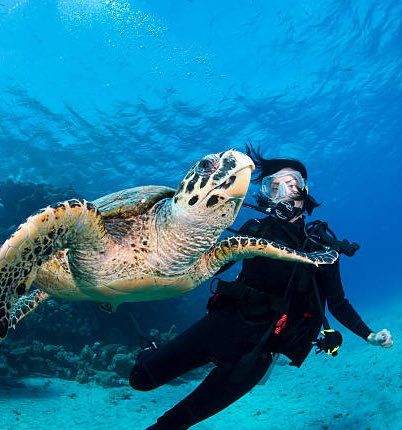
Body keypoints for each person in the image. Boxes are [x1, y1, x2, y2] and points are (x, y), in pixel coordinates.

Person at [129, 146, 393, 430]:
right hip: (220, 326)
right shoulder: (255, 230)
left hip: (258, 353)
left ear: (305, 193)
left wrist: (369, 335)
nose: (283, 192)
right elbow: (209, 265)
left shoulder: (321, 248)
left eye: (292, 184)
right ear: (265, 195)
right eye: (273, 186)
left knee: (172, 424)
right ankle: (150, 349)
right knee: (140, 380)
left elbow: (338, 303)